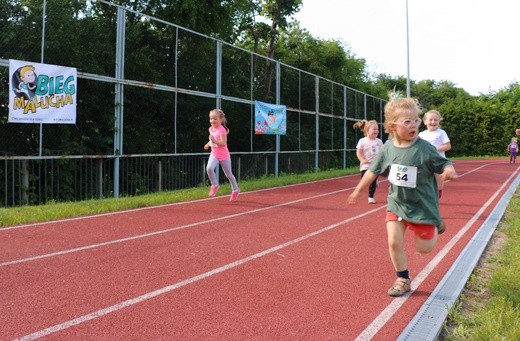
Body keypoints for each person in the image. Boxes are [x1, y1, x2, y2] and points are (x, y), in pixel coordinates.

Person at [347, 93, 458, 297]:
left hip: (422, 205)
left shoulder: (425, 148)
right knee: (393, 241)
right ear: (392, 126)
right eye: (407, 121)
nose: (413, 124)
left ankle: (434, 223)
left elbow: (444, 163)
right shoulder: (387, 148)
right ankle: (403, 278)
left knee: (424, 248)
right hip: (397, 203)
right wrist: (358, 190)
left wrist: (449, 170)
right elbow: (373, 170)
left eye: (416, 120)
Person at [203, 108, 240, 201]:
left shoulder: (222, 130)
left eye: (215, 119)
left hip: (224, 156)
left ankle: (235, 190)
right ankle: (215, 184)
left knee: (228, 174)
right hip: (214, 154)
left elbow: (223, 143)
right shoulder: (210, 129)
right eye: (211, 119)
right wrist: (208, 144)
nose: (212, 121)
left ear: (221, 120)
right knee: (209, 168)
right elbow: (212, 140)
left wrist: (214, 140)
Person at [418, 110, 451, 198]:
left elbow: (448, 146)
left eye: (436, 120)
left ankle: (436, 197)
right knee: (423, 182)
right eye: (430, 119)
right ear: (425, 121)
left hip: (438, 162)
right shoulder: (421, 134)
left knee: (439, 185)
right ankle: (426, 199)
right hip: (425, 162)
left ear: (439, 121)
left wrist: (434, 149)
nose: (433, 122)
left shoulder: (441, 132)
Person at [353, 120, 383, 203]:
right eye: (374, 129)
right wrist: (362, 159)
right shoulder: (362, 141)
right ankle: (374, 181)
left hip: (375, 165)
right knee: (364, 180)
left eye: (377, 129)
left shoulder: (379, 141)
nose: (376, 131)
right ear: (367, 131)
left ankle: (371, 197)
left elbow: (382, 152)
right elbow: (358, 152)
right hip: (365, 165)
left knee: (372, 182)